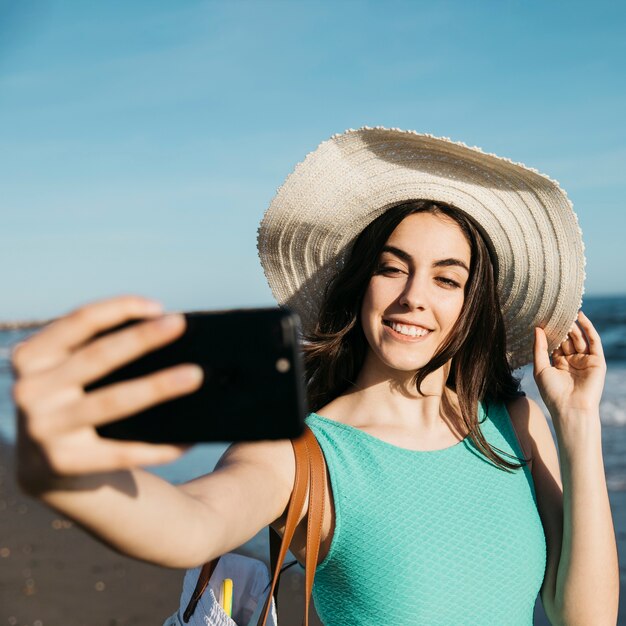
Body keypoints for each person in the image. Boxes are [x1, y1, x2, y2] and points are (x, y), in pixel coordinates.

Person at [12, 128, 619, 625]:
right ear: (362, 286)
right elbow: (194, 522)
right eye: (392, 268)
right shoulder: (303, 450)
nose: (413, 297)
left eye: (446, 278)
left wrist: (578, 421)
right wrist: (69, 475)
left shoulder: (514, 424)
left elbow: (583, 618)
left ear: (471, 303)